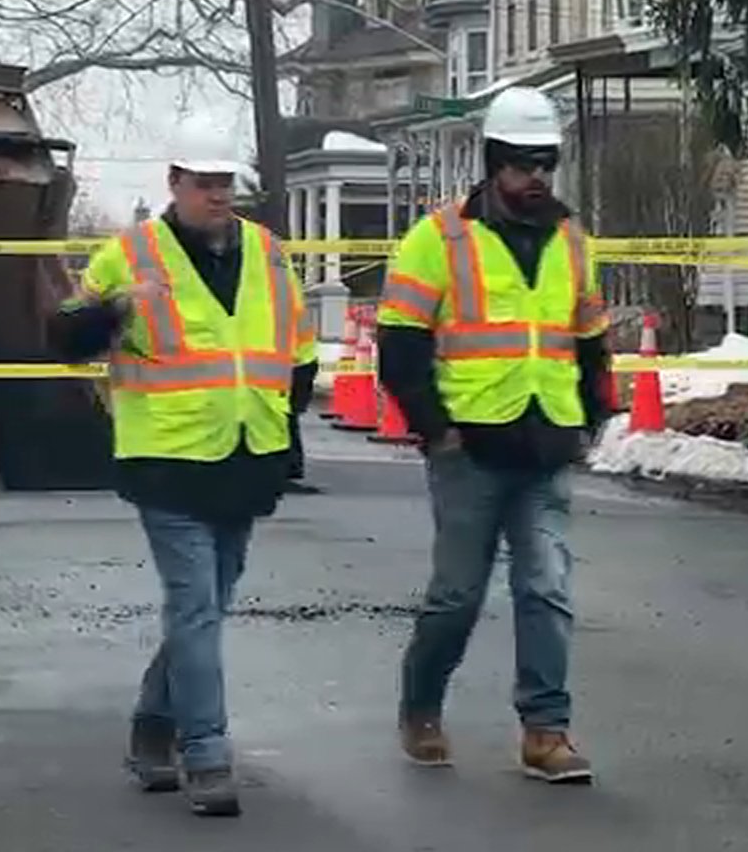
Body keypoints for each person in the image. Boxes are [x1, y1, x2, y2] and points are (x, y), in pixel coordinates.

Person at [49, 158, 318, 816]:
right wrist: (116, 308)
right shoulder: (132, 254)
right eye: (204, 183)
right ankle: (206, 752)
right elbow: (62, 338)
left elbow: (299, 353)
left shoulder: (268, 254)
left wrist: (284, 438)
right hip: (165, 460)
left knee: (209, 607)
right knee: (195, 607)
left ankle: (151, 725)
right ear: (175, 183)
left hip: (245, 457)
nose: (218, 194)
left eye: (226, 182)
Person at [375, 86, 610, 784]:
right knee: (458, 595)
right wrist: (435, 430)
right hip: (469, 449)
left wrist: (593, 414)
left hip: (545, 443)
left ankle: (546, 729)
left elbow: (590, 336)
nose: (535, 176)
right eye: (521, 163)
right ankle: (421, 705)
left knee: (547, 586)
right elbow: (400, 346)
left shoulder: (571, 238)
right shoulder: (439, 239)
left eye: (546, 163)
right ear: (492, 161)